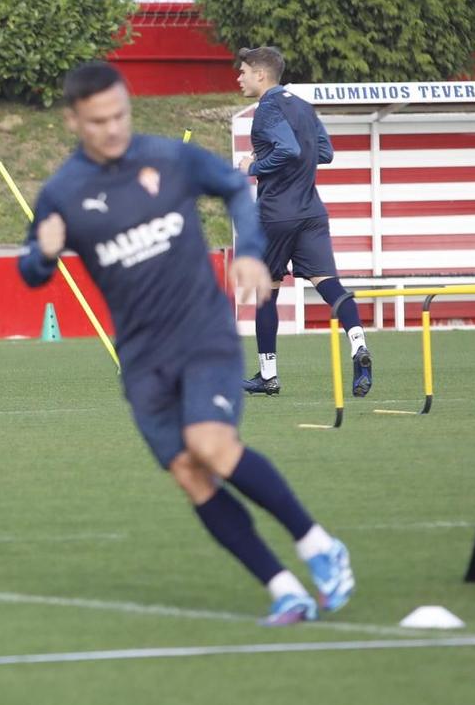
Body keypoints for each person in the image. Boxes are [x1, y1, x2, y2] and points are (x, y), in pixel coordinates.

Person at [18, 61, 353, 625]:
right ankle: (282, 588)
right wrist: (43, 253)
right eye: (99, 120)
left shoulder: (167, 158)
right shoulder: (63, 193)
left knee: (211, 444)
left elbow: (234, 190)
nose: (114, 128)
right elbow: (31, 273)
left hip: (202, 333)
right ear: (75, 120)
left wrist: (249, 250)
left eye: (122, 114)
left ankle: (318, 545)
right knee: (191, 474)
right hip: (143, 359)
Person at [233, 45, 371, 399]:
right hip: (311, 211)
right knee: (330, 286)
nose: (239, 78)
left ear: (261, 75)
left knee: (267, 290)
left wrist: (254, 167)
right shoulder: (303, 105)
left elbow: (289, 150)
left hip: (277, 214)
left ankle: (268, 375)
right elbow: (324, 152)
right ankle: (358, 346)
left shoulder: (267, 108)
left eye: (244, 71)